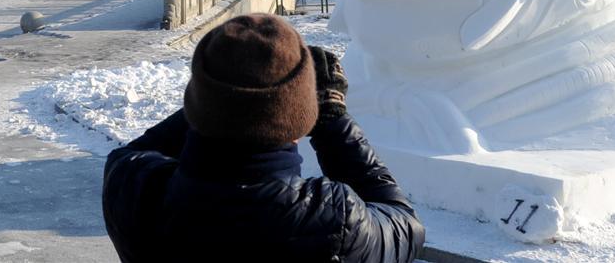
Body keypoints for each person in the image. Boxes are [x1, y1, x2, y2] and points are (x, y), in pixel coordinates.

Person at [102, 14, 425, 262]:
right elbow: (404, 226)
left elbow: (136, 152)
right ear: (300, 112)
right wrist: (333, 119)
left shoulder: (135, 189)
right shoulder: (334, 219)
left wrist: (220, 91)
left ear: (199, 100)